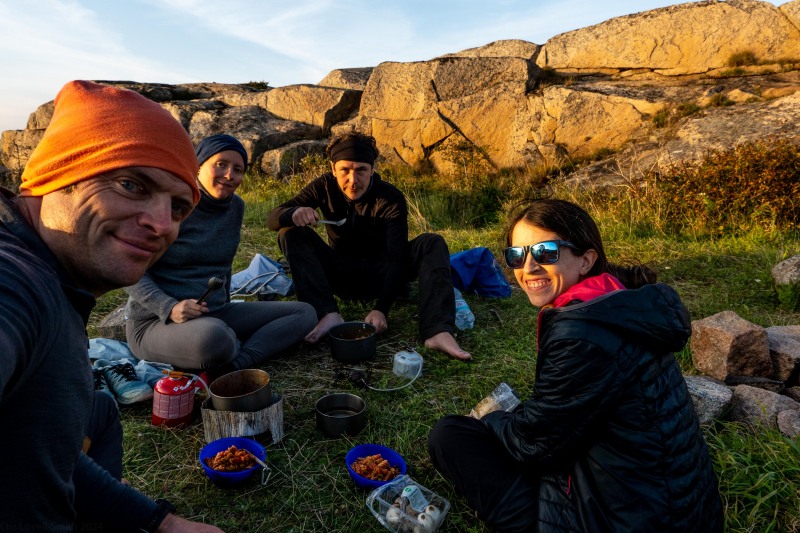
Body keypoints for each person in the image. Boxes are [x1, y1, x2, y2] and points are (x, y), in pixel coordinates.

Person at [0, 80, 223, 532]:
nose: (161, 225)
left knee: (98, 410)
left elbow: (52, 447)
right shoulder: (18, 280)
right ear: (56, 173)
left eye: (178, 208)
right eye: (130, 184)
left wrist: (159, 522)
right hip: (162, 321)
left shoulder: (60, 281)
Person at [428, 198, 723, 532]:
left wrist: (492, 420)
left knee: (450, 435)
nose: (529, 267)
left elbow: (534, 444)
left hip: (622, 518)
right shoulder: (617, 301)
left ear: (586, 260)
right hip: (677, 507)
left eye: (545, 252)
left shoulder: (582, 332)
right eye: (517, 255)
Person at [266, 131, 471, 360]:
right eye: (345, 170)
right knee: (289, 231)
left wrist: (382, 308)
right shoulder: (324, 186)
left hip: (381, 274)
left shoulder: (390, 197)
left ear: (372, 169)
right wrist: (294, 213)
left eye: (361, 170)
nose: (353, 180)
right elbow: (273, 217)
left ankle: (437, 330)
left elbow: (398, 257)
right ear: (333, 169)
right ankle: (327, 313)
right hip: (340, 274)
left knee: (432, 242)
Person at [124, 134, 316, 375]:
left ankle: (240, 362)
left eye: (238, 169)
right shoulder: (172, 205)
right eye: (221, 165)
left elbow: (222, 263)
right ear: (199, 165)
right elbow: (131, 272)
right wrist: (169, 307)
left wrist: (224, 305)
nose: (229, 175)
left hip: (215, 313)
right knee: (215, 338)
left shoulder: (236, 207)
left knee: (304, 313)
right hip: (156, 321)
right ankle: (228, 346)